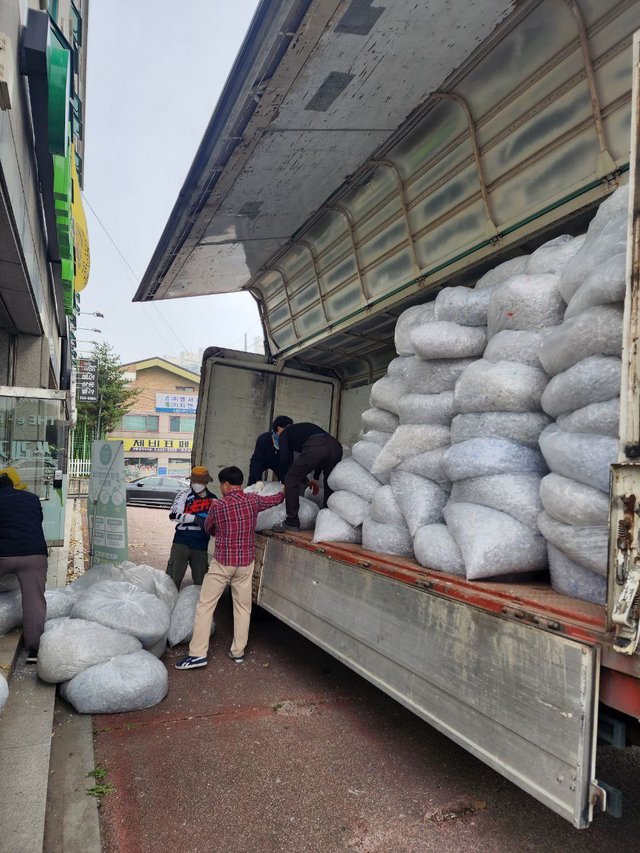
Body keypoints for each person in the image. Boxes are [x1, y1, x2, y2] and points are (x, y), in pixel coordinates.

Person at [175, 465, 284, 669]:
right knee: (243, 607)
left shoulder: (218, 506)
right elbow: (276, 499)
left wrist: (217, 529)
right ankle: (238, 652)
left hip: (223, 563)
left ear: (225, 484)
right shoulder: (253, 500)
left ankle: (198, 654)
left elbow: (209, 528)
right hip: (245, 562)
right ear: (240, 483)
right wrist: (287, 488)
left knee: (206, 605)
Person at [0, 472, 48, 663]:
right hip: (34, 555)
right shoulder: (33, 499)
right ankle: (33, 651)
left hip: (4, 555)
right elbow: (36, 522)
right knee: (34, 602)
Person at [271, 416, 343, 532]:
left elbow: (285, 459)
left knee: (291, 479)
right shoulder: (304, 428)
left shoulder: (284, 434)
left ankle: (292, 522)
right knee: (329, 483)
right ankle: (327, 522)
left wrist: (285, 481)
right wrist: (315, 477)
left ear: (278, 429)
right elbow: (322, 452)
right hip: (336, 446)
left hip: (317, 446)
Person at [166, 466, 217, 588]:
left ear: (206, 482)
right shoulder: (183, 495)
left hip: (201, 544)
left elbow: (216, 522)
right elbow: (173, 515)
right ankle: (167, 604)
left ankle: (198, 607)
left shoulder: (213, 499)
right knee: (172, 579)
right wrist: (195, 519)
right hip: (181, 541)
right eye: (194, 481)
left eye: (199, 481)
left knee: (201, 583)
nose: (196, 484)